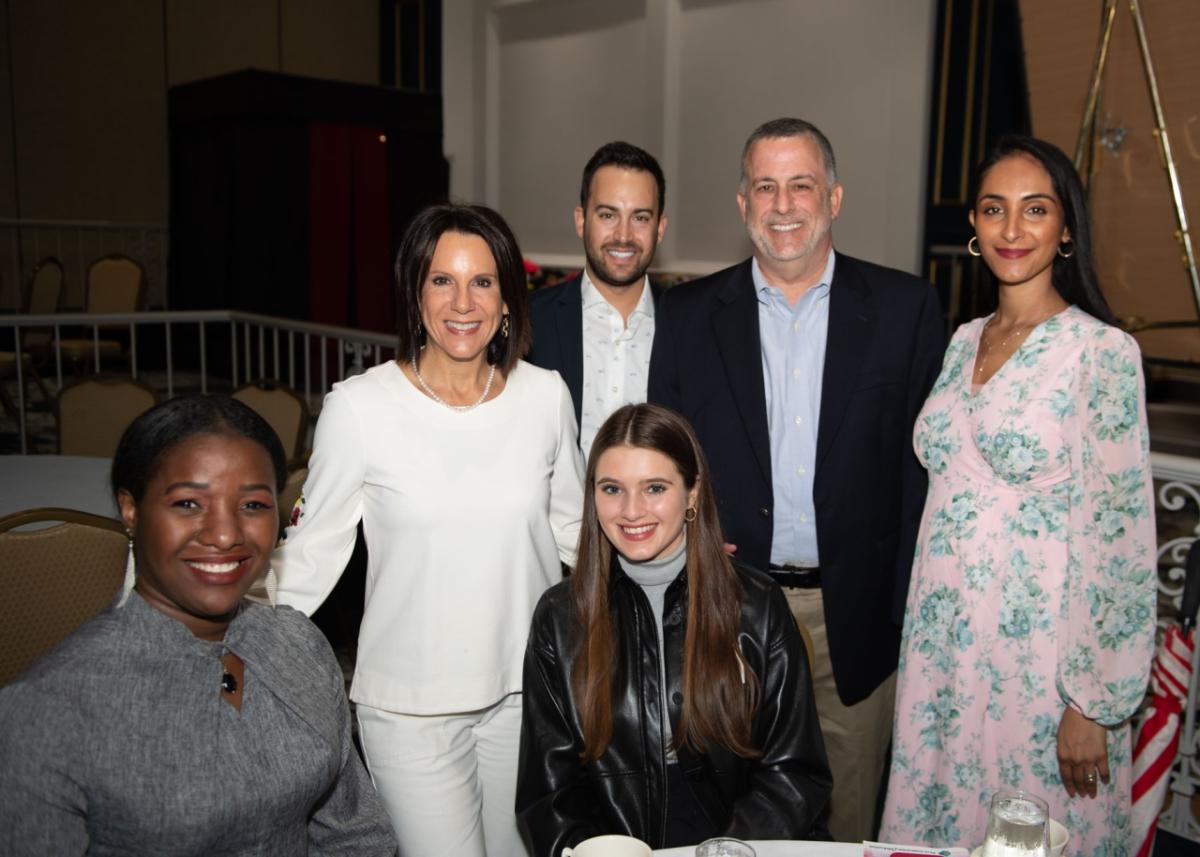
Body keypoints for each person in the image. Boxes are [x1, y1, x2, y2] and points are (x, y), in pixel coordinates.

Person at [648, 117, 945, 839]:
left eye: (801, 185)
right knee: (728, 813)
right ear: (743, 203)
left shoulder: (905, 311)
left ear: (834, 198)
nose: (784, 205)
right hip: (728, 610)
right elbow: (666, 464)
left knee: (845, 819)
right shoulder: (687, 315)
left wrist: (907, 607)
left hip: (857, 621)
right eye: (765, 187)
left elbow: (924, 481)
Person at [273, 203, 584, 857]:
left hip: (523, 697)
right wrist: (209, 631)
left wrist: (677, 559)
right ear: (415, 297)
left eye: (482, 281)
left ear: (507, 300)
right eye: (441, 280)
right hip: (408, 710)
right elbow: (312, 556)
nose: (461, 301)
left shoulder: (546, 397)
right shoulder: (359, 409)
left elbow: (576, 530)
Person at [879, 135, 1156, 850]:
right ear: (972, 225)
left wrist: (1091, 702)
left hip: (1035, 667)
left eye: (1035, 210)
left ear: (1066, 229)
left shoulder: (1101, 354)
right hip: (942, 653)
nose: (1011, 229)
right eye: (993, 209)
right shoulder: (963, 338)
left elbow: (1119, 540)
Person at [0, 395, 397, 856]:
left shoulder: (297, 644)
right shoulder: (51, 706)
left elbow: (356, 833)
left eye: (252, 505)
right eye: (189, 503)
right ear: (131, 510)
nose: (226, 534)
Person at [516, 403, 832, 855]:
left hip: (742, 840)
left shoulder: (756, 604)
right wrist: (585, 848)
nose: (631, 511)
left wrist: (726, 850)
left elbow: (796, 773)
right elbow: (548, 792)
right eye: (612, 489)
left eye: (655, 488)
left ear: (692, 493)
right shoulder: (559, 616)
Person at [527, 141, 669, 459]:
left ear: (660, 228)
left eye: (640, 218)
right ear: (581, 221)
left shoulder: (689, 326)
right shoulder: (530, 323)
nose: (623, 235)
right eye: (608, 214)